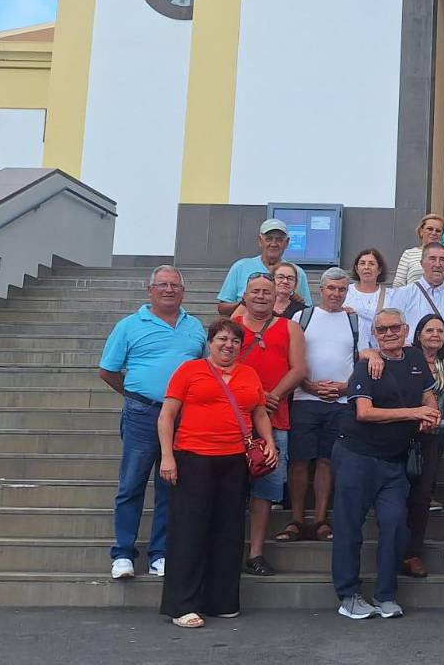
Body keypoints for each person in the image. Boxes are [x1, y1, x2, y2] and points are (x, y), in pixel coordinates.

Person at [156, 319, 276, 628]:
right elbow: (167, 415)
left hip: (234, 462)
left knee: (228, 531)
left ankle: (221, 600)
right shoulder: (189, 371)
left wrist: (270, 443)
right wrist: (167, 457)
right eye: (222, 339)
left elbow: (259, 412)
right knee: (189, 531)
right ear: (210, 342)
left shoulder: (249, 374)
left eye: (235, 341)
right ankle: (182, 604)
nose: (229, 345)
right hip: (193, 458)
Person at [98, 265, 207, 580]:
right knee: (131, 483)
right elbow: (108, 370)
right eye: (162, 285)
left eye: (175, 285)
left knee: (170, 485)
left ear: (183, 291)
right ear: (150, 291)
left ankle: (160, 553)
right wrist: (134, 394)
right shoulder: (130, 326)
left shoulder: (195, 326)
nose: (169, 290)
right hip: (142, 415)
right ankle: (123, 554)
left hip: (183, 418)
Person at [334, 308, 440, 620]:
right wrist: (415, 413)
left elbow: (428, 396)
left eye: (395, 327)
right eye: (382, 330)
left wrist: (430, 413)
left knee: (395, 523)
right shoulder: (367, 365)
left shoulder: (417, 359)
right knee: (348, 527)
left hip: (394, 462)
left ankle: (385, 595)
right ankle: (348, 594)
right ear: (375, 335)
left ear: (406, 330)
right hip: (357, 456)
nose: (389, 333)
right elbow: (364, 413)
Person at [284, 267, 370, 543]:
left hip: (341, 402)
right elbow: (291, 358)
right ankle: (296, 519)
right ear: (321, 290)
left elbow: (362, 361)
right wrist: (307, 385)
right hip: (304, 399)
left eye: (342, 289)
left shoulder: (354, 321)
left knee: (327, 461)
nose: (336, 294)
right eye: (331, 288)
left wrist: (345, 388)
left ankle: (320, 519)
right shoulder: (302, 317)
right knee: (299, 461)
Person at [233, 274, 307, 577]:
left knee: (265, 488)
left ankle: (256, 552)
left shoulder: (289, 327)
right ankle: (228, 548)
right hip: (234, 420)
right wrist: (256, 396)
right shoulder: (232, 327)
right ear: (245, 296)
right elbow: (222, 365)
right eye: (255, 291)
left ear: (276, 294)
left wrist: (274, 395)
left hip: (276, 419)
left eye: (267, 291)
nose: (261, 296)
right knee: (232, 489)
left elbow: (300, 368)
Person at [401, 314, 444, 579]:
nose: (435, 335)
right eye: (429, 330)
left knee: (422, 496)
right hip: (403, 431)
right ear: (418, 334)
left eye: (440, 331)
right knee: (398, 494)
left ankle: (412, 552)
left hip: (431, 436)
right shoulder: (407, 356)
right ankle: (395, 549)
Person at [388, 243, 444, 360]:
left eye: (442, 260)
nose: (438, 264)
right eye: (432, 259)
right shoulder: (403, 293)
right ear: (422, 264)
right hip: (412, 358)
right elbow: (392, 328)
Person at [216, 219, 311, 316]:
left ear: (286, 243)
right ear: (260, 241)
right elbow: (222, 308)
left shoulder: (297, 272)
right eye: (269, 239)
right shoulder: (240, 267)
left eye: (279, 239)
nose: (273, 244)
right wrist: (245, 302)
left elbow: (307, 312)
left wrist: (293, 300)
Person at [345, 248, 392, 322]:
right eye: (362, 263)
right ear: (356, 268)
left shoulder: (390, 295)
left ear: (379, 269)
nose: (366, 267)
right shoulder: (345, 291)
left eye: (371, 264)